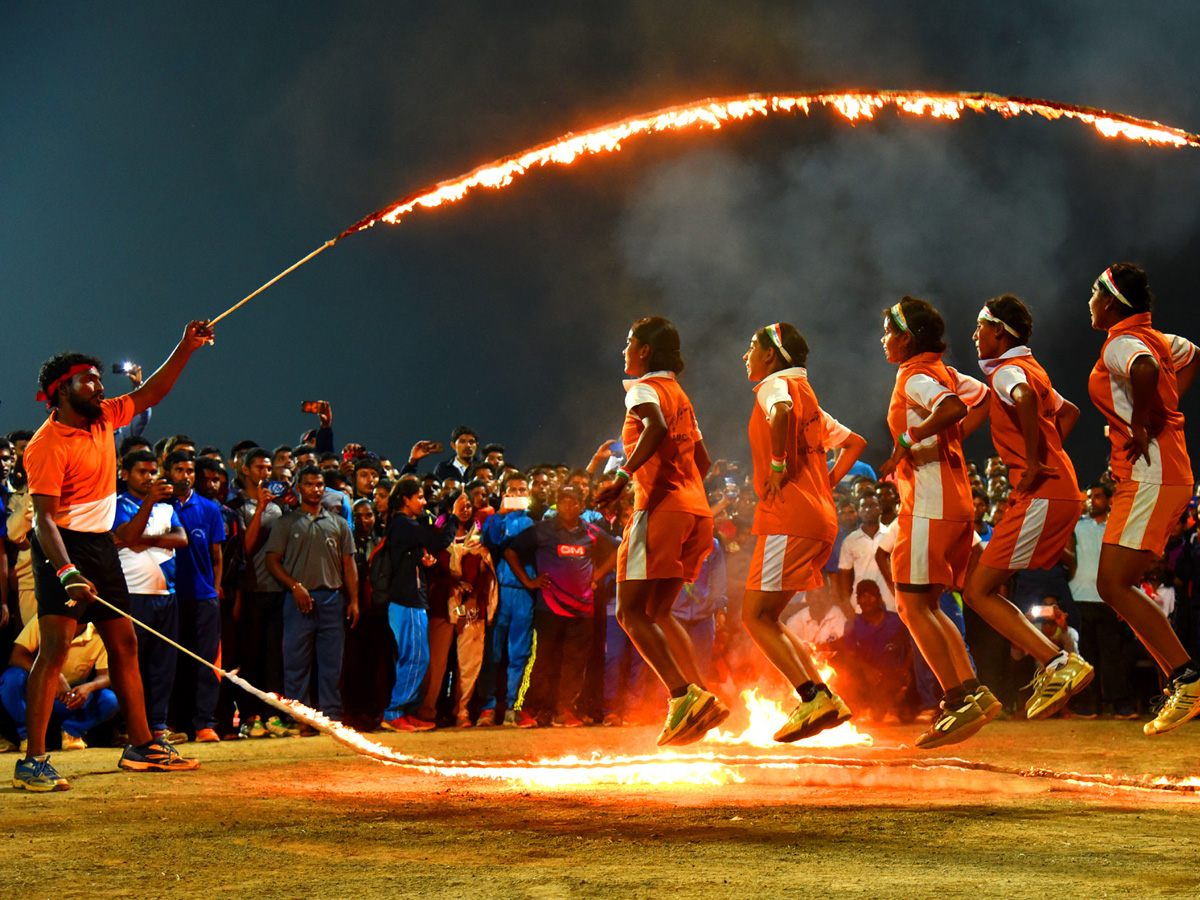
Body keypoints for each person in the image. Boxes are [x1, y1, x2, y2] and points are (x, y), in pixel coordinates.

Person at [16, 322, 209, 790]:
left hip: (101, 544)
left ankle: (142, 746)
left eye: (101, 380)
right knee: (55, 650)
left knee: (124, 644)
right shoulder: (46, 445)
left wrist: (185, 346)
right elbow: (43, 521)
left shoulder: (104, 416)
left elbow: (153, 393)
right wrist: (66, 572)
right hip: (62, 548)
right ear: (61, 391)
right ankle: (34, 759)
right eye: (90, 380)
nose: (100, 388)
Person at [593, 317, 723, 746]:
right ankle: (700, 694)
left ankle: (683, 696)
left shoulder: (644, 390)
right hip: (695, 512)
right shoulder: (681, 397)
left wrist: (624, 477)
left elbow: (656, 429)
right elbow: (702, 462)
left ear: (645, 351)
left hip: (659, 510)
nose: (625, 349)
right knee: (660, 612)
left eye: (630, 342)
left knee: (630, 613)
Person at [962, 295, 1094, 719]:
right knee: (980, 577)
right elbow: (1068, 411)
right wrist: (1048, 453)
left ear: (999, 331)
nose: (975, 335)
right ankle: (1055, 661)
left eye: (980, 327)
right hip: (1056, 491)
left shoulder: (1008, 371)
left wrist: (1036, 461)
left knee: (978, 591)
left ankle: (1057, 662)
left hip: (1041, 493)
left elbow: (1022, 396)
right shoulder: (1033, 367)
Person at [877, 296, 996, 749]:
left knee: (911, 606)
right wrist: (952, 444)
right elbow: (980, 397)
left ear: (906, 337)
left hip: (930, 503)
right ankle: (970, 692)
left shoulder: (916, 375)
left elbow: (951, 407)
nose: (883, 339)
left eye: (888, 331)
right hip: (954, 501)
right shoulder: (940, 368)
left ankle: (958, 697)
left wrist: (908, 440)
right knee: (927, 604)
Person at [1086, 263, 1200, 734]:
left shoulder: (1121, 343)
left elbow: (1145, 368)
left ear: (1110, 302)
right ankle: (1184, 678)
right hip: (1163, 471)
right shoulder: (1155, 336)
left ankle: (1186, 678)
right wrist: (1164, 413)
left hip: (1150, 474)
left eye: (1093, 293)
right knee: (1117, 582)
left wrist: (1141, 421)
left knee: (1113, 584)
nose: (1089, 302)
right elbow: (1191, 354)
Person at [739, 323, 865, 742]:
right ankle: (825, 695)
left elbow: (780, 412)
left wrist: (778, 465)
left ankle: (812, 697)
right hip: (820, 519)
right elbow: (856, 443)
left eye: (752, 348)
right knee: (769, 615)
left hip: (788, 519)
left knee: (754, 616)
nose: (747, 356)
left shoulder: (775, 386)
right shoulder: (809, 397)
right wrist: (825, 482)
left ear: (772, 357)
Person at [506, 485, 617, 727]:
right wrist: (529, 581)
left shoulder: (591, 532)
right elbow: (511, 551)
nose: (568, 506)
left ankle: (564, 710)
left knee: (575, 663)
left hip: (583, 610)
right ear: (557, 504)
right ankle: (526, 709)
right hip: (549, 608)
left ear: (581, 505)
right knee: (543, 660)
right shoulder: (542, 531)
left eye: (573, 502)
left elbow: (618, 550)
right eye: (563, 502)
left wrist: (597, 575)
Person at [265, 467, 359, 727]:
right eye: (309, 484)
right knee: (296, 663)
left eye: (319, 485)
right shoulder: (286, 522)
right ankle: (299, 717)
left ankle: (331, 717)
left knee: (332, 664)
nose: (315, 489)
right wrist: (294, 586)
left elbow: (349, 564)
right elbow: (272, 561)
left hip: (331, 599)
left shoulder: (338, 523)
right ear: (298, 487)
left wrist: (354, 600)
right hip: (298, 601)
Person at [112, 449, 186, 744]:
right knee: (132, 665)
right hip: (132, 595)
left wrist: (142, 541)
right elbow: (125, 534)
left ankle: (158, 725)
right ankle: (130, 727)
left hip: (166, 595)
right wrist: (149, 507)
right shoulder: (118, 505)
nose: (150, 477)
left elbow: (180, 539)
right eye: (143, 472)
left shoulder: (167, 508)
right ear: (125, 474)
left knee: (162, 665)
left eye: (153, 472)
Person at [380, 475, 453, 732]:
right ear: (405, 500)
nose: (423, 502)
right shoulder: (402, 524)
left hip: (410, 600)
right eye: (419, 497)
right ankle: (394, 712)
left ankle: (407, 712)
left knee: (415, 657)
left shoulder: (404, 525)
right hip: (407, 601)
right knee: (415, 658)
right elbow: (439, 540)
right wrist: (452, 517)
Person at [418, 490, 496, 728]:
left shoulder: (480, 536)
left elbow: (486, 570)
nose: (465, 508)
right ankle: (427, 710)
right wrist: (452, 583)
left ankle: (462, 711)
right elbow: (429, 574)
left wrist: (472, 598)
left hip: (472, 608)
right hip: (442, 606)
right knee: (436, 663)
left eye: (469, 504)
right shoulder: (437, 536)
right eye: (460, 504)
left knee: (469, 662)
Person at [164, 450, 226, 742]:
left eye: (189, 470)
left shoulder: (210, 509)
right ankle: (172, 723)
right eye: (179, 470)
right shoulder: (160, 506)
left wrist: (214, 589)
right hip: (171, 596)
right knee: (171, 661)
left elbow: (216, 555)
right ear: (169, 472)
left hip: (203, 598)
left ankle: (205, 724)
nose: (185, 475)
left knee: (205, 662)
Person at [1, 616, 120, 753]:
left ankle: (72, 732)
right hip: (36, 695)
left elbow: (105, 675)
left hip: (68, 697)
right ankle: (28, 736)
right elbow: (17, 657)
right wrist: (54, 675)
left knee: (110, 700)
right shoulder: (43, 619)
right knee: (11, 678)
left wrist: (88, 687)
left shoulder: (98, 631)